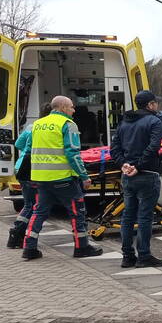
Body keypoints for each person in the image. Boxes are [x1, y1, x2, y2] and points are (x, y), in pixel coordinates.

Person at [21, 95, 104, 260]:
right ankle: (82, 247)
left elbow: (28, 150)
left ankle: (29, 247)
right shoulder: (68, 125)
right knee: (77, 212)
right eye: (72, 107)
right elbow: (73, 154)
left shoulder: (37, 125)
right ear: (63, 107)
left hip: (41, 178)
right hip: (63, 179)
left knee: (39, 212)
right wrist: (84, 176)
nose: (73, 111)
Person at [110, 91, 162, 268]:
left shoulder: (124, 121)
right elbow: (154, 146)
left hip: (127, 175)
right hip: (147, 174)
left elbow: (114, 148)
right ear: (150, 105)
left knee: (127, 216)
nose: (156, 106)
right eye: (155, 103)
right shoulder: (155, 121)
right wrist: (139, 166)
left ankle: (127, 256)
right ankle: (144, 255)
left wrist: (123, 165)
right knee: (144, 217)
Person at [6, 103, 49, 249]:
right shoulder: (48, 128)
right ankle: (16, 234)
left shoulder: (32, 126)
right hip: (32, 168)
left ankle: (16, 235)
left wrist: (28, 149)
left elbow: (18, 144)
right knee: (32, 205)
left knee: (28, 204)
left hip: (22, 166)